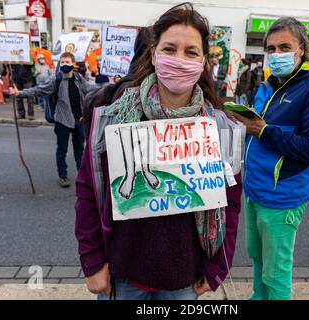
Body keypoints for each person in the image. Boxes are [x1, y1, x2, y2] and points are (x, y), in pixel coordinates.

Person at [75, 2, 244, 300]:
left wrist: (218, 268)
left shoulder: (221, 128)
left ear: (203, 61)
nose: (179, 60)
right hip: (122, 273)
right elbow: (88, 192)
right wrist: (91, 263)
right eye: (169, 49)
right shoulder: (112, 118)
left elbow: (230, 204)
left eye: (190, 52)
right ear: (153, 54)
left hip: (185, 278)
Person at [230, 17, 309, 300]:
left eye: (284, 47)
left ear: (301, 48)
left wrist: (263, 131)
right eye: (271, 49)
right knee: (258, 259)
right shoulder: (269, 85)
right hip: (254, 193)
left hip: (281, 199)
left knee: (276, 275)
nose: (276, 55)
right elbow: (258, 128)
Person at [10, 52, 97, 188]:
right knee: (61, 150)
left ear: (73, 64)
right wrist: (19, 93)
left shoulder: (79, 78)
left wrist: (114, 85)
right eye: (61, 62)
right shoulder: (55, 80)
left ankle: (82, 175)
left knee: (80, 150)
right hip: (62, 121)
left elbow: (92, 89)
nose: (64, 64)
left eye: (67, 62)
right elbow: (38, 90)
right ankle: (63, 176)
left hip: (79, 120)